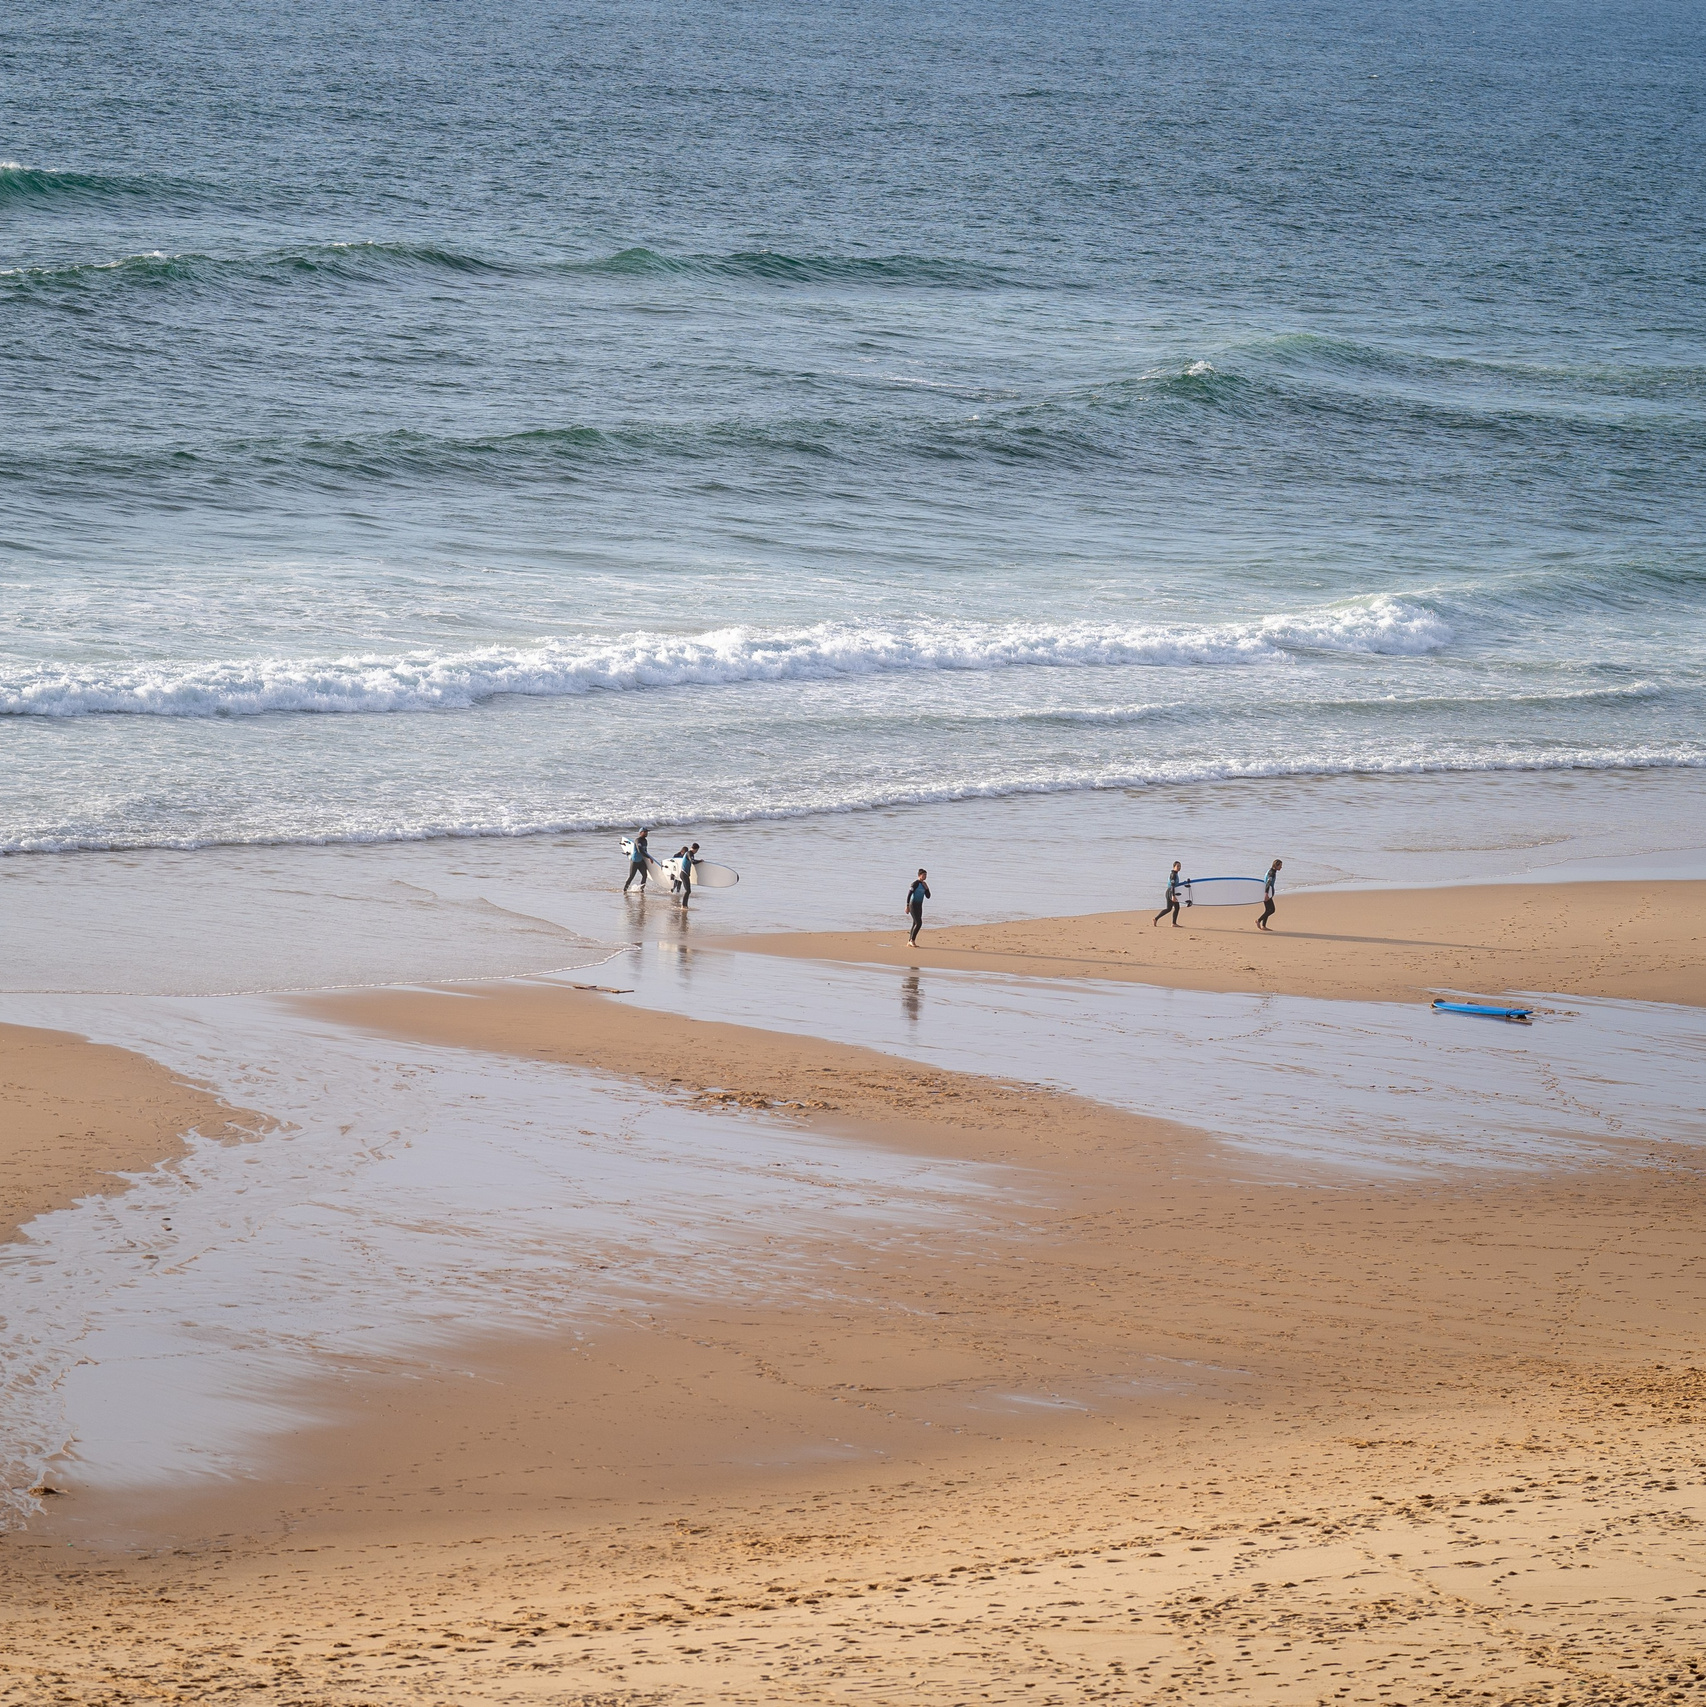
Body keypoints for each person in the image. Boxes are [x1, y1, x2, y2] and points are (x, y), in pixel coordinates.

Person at [1153, 861, 1184, 928]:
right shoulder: (1173, 875)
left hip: (1170, 892)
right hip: (1171, 892)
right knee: (1173, 908)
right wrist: (1173, 896)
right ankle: (1172, 923)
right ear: (1174, 866)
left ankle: (1157, 919)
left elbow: (1175, 885)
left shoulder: (1175, 874)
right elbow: (1172, 886)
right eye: (1178, 866)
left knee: (1171, 908)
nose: (1179, 867)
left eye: (1180, 866)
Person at [905, 869, 931, 946]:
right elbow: (909, 894)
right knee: (919, 923)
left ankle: (910, 941)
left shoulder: (924, 885)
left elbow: (928, 896)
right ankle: (912, 940)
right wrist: (907, 906)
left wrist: (927, 888)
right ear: (919, 875)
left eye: (926, 875)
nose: (925, 876)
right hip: (912, 905)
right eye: (924, 875)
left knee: (915, 923)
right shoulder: (915, 884)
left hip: (919, 906)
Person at [623, 828, 651, 893]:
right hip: (634, 861)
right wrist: (648, 857)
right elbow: (640, 850)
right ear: (640, 832)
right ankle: (625, 890)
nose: (646, 833)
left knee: (645, 875)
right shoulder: (637, 840)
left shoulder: (645, 841)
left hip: (641, 861)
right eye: (645, 832)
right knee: (631, 876)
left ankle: (641, 889)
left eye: (647, 832)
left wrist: (648, 859)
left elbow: (645, 851)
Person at [1257, 858, 1282, 930]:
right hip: (1267, 893)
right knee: (1272, 910)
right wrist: (1266, 894)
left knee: (1268, 909)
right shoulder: (1272, 873)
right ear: (1276, 866)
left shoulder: (1270, 870)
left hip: (1266, 892)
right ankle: (1258, 920)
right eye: (1280, 866)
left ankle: (1263, 926)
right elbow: (1268, 883)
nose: (1281, 867)